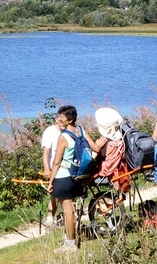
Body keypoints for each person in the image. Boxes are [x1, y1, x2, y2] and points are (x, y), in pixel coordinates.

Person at [48, 105, 106, 254]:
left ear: (70, 119)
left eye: (62, 117)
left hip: (63, 176)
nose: (59, 119)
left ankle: (70, 244)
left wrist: (50, 181)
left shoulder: (63, 137)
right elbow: (96, 149)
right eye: (59, 116)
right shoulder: (81, 130)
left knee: (68, 211)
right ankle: (69, 237)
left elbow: (56, 162)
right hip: (78, 177)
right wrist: (100, 143)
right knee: (71, 209)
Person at [41, 114, 61, 227]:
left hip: (66, 166)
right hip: (54, 166)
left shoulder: (67, 130)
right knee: (55, 194)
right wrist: (46, 168)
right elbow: (46, 151)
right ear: (56, 120)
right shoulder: (50, 131)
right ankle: (50, 217)